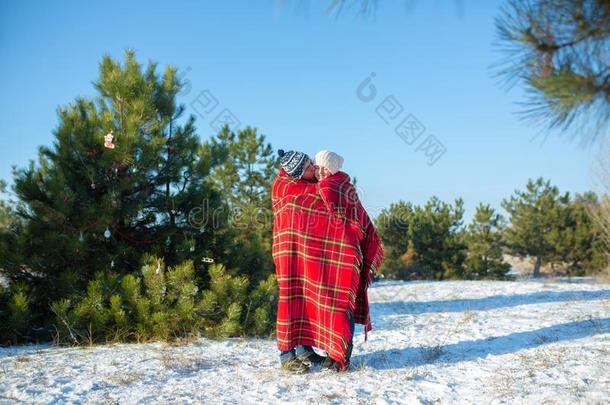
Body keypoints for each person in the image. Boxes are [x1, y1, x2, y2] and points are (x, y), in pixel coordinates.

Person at [314, 150, 385, 371]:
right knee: (340, 304)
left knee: (337, 305)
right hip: (344, 254)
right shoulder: (346, 186)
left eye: (321, 167)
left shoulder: (329, 186)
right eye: (317, 167)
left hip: (341, 254)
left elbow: (338, 219)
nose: (318, 171)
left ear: (329, 169)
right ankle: (334, 353)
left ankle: (340, 356)